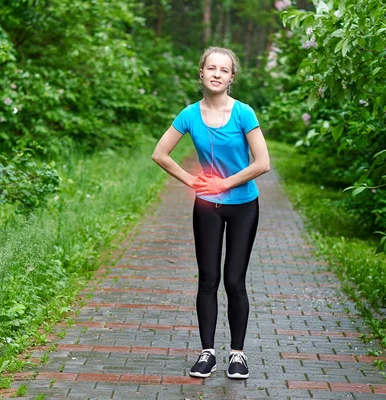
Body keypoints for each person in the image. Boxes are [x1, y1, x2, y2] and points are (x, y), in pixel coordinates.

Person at [151, 47, 270, 379]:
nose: (217, 74)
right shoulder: (189, 114)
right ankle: (207, 353)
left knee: (234, 280)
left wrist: (224, 184)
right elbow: (160, 154)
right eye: (211, 68)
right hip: (206, 207)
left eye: (224, 70)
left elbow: (263, 163)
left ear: (232, 77)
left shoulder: (244, 113)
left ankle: (237, 355)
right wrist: (193, 181)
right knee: (208, 280)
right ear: (200, 74)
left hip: (244, 204)